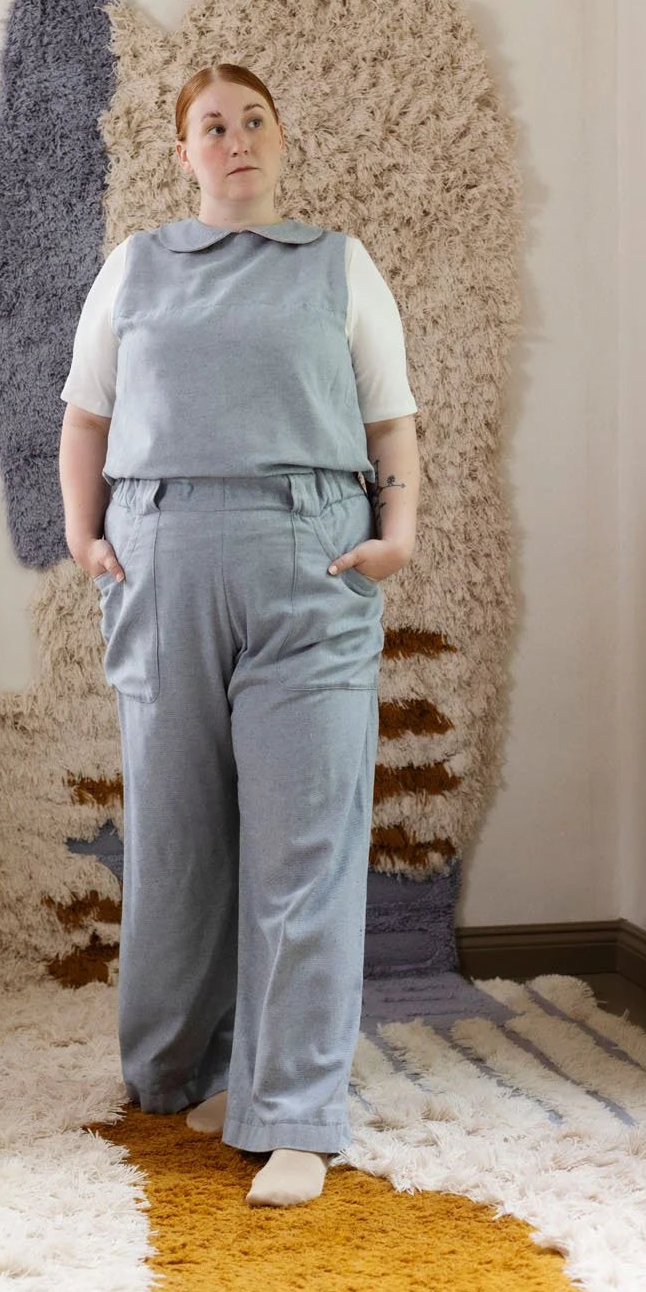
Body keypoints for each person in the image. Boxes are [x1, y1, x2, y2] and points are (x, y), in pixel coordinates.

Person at [58, 63, 419, 1208]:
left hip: (307, 556)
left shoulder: (339, 263)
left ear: (280, 136)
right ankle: (183, 1071)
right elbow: (86, 410)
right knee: (179, 840)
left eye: (253, 118)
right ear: (184, 153)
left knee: (304, 838)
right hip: (163, 559)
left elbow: (388, 412)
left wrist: (398, 530)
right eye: (211, 125)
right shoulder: (135, 266)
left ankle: (296, 1111)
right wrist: (84, 537)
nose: (236, 138)